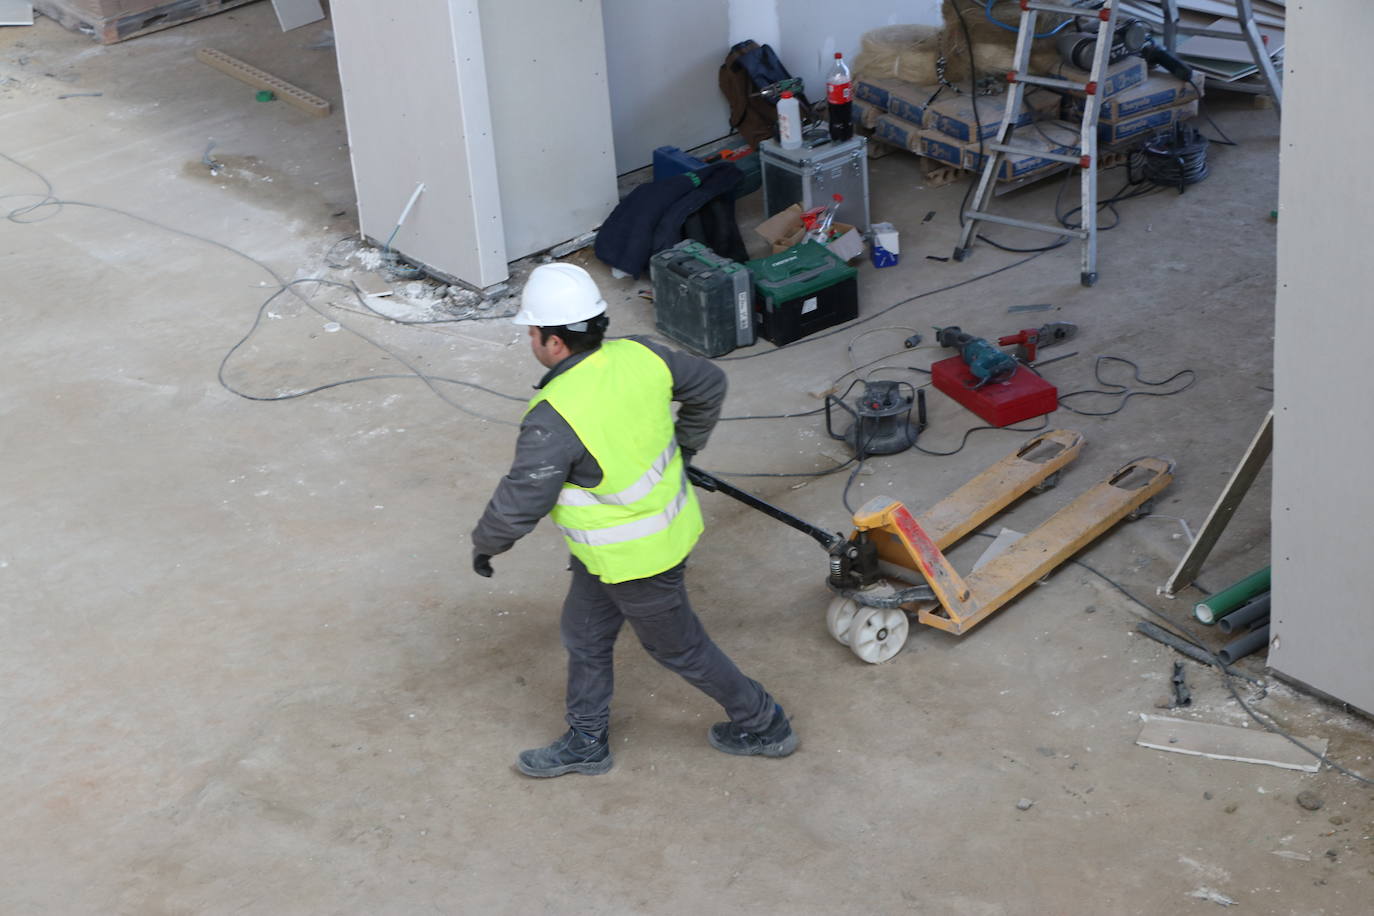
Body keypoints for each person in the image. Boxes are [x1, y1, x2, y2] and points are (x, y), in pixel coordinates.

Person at [470, 262, 797, 778]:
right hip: (618, 547)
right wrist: (684, 447)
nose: (530, 340)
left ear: (554, 342)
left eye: (532, 332)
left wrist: (485, 544)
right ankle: (586, 742)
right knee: (584, 634)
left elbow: (522, 498)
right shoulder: (641, 354)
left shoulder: (555, 417)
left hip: (640, 558)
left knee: (681, 649)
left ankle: (765, 723)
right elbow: (709, 383)